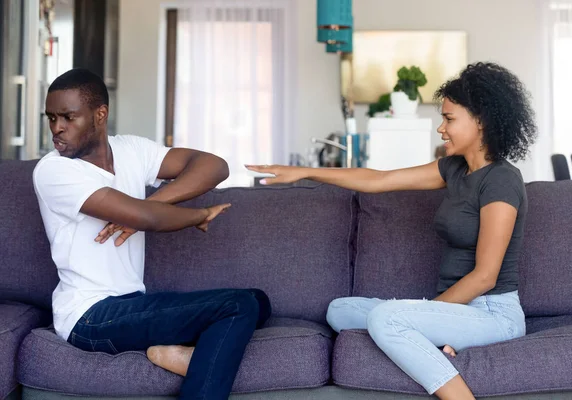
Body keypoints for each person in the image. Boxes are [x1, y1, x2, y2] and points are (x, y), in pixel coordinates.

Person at [246, 62, 537, 400]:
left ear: (481, 121)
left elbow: (486, 276)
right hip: (456, 312)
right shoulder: (455, 169)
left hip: (492, 313)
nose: (441, 129)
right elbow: (379, 180)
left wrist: (430, 314)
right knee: (340, 309)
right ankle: (426, 337)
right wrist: (304, 172)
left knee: (386, 318)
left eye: (449, 119)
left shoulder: (501, 180)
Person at [33, 68, 271, 400]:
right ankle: (203, 366)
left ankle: (194, 359)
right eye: (51, 118)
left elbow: (214, 165)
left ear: (100, 115)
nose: (57, 128)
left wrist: (151, 203)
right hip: (88, 316)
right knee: (237, 306)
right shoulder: (54, 170)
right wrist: (197, 215)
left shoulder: (130, 150)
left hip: (131, 303)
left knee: (259, 301)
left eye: (68, 117)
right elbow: (148, 218)